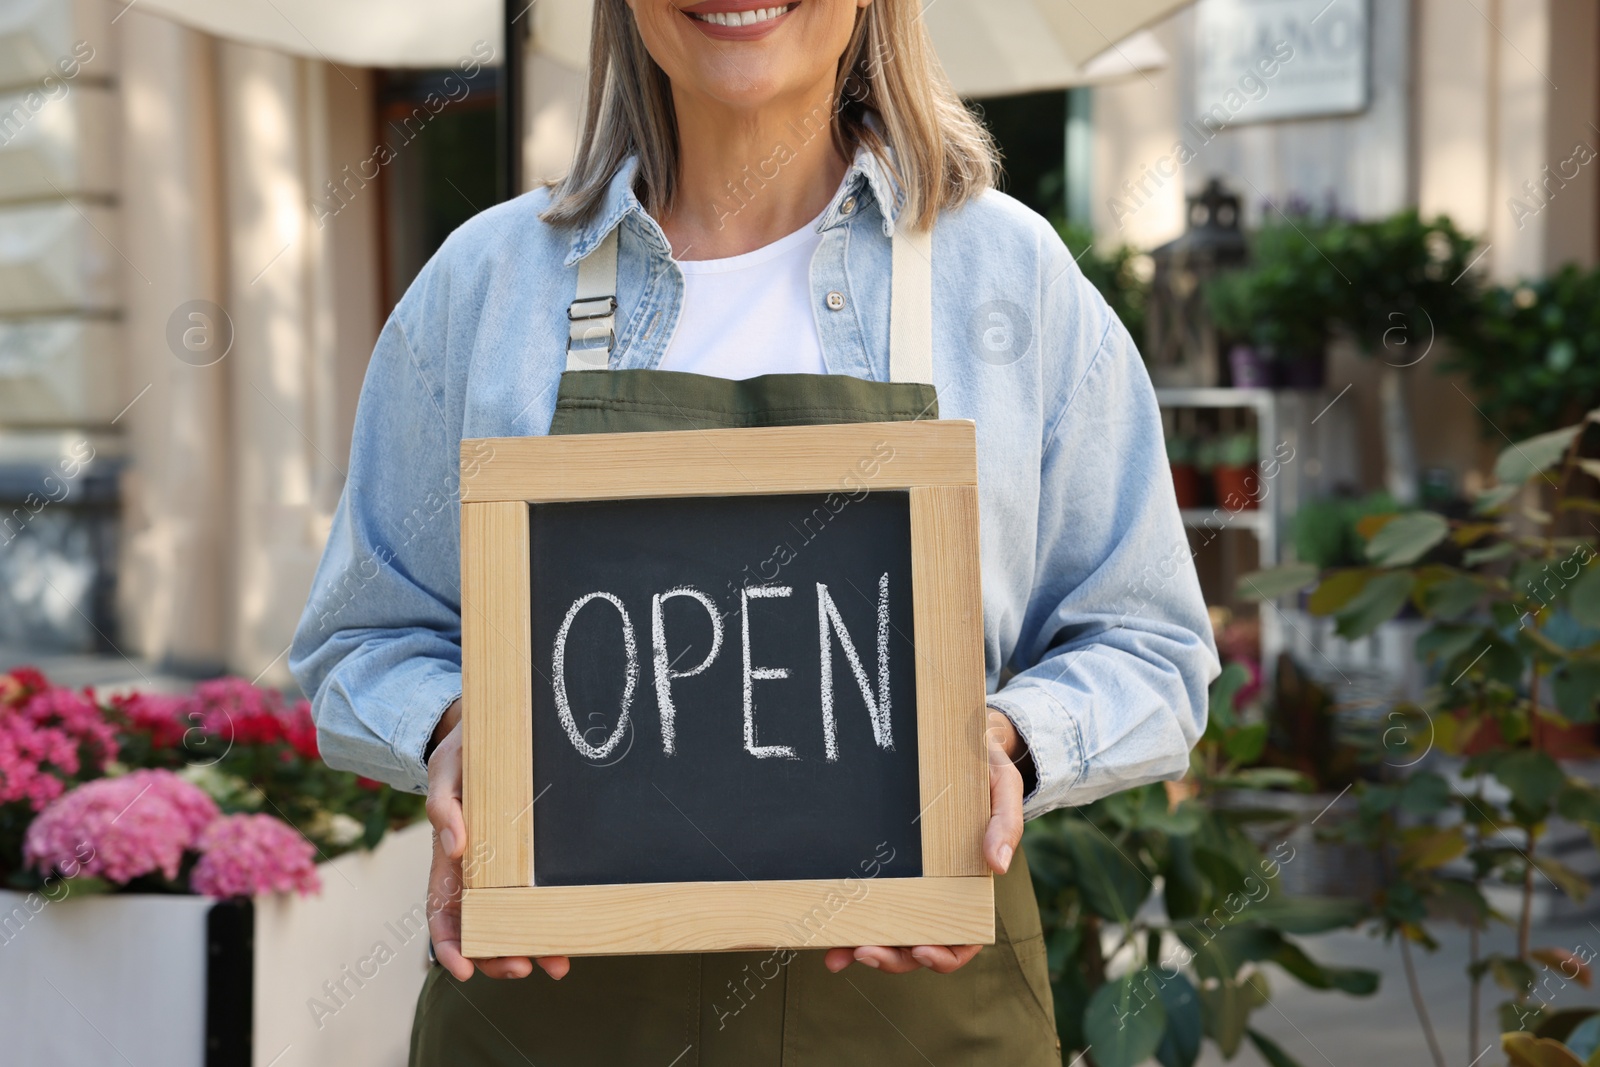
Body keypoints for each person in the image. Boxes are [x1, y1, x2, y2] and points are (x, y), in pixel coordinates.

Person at [290, 0, 1219, 1063]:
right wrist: (457, 728)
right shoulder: (486, 284)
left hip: (916, 1017)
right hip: (550, 1014)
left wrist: (1005, 741)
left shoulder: (1009, 279)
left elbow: (1148, 642)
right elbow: (360, 635)